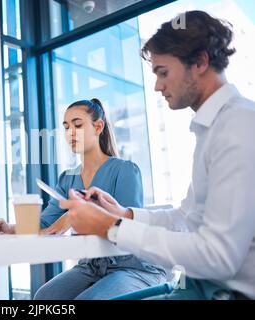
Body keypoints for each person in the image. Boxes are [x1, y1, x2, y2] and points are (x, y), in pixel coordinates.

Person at [61, 11, 255, 300]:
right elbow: (186, 218)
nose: (157, 86)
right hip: (199, 285)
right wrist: (124, 214)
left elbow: (218, 256)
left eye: (163, 72)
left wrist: (110, 227)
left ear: (200, 62)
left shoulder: (238, 126)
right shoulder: (213, 128)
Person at [0, 99, 166, 300]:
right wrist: (9, 228)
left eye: (78, 125)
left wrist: (76, 217)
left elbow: (127, 228)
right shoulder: (67, 178)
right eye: (66, 127)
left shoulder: (125, 170)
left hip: (134, 267)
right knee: (44, 297)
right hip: (92, 266)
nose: (70, 132)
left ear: (98, 127)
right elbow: (47, 225)